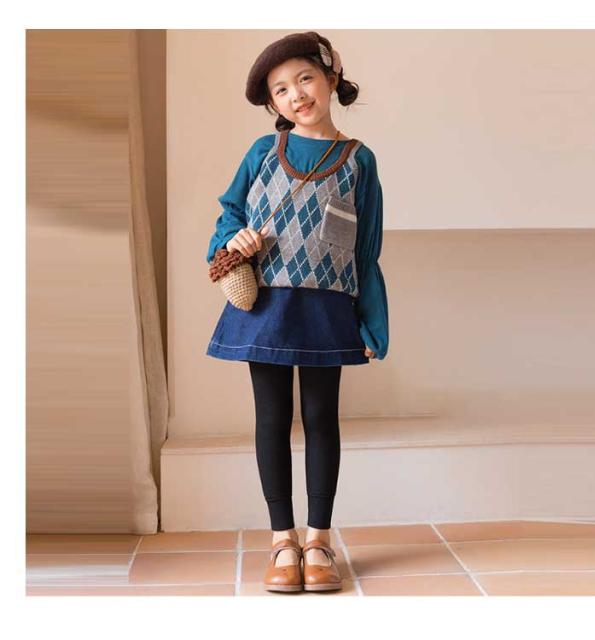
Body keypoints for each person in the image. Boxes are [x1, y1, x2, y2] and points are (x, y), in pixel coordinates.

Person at [205, 31, 389, 592]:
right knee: (270, 418)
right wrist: (235, 238)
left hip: (327, 308)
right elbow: (228, 213)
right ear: (273, 103)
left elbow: (366, 251)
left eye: (305, 78)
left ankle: (319, 540)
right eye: (281, 89)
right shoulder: (263, 152)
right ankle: (282, 540)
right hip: (266, 304)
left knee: (321, 417)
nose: (296, 95)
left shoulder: (359, 161)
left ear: (331, 77)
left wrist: (372, 321)